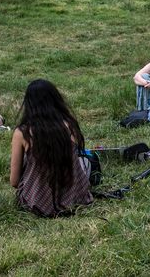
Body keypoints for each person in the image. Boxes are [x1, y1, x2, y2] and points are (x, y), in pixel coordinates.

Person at [9, 79, 93, 217]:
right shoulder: (69, 125)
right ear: (56, 100)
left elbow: (14, 181)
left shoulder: (22, 133)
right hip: (75, 199)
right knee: (85, 162)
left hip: (37, 203)